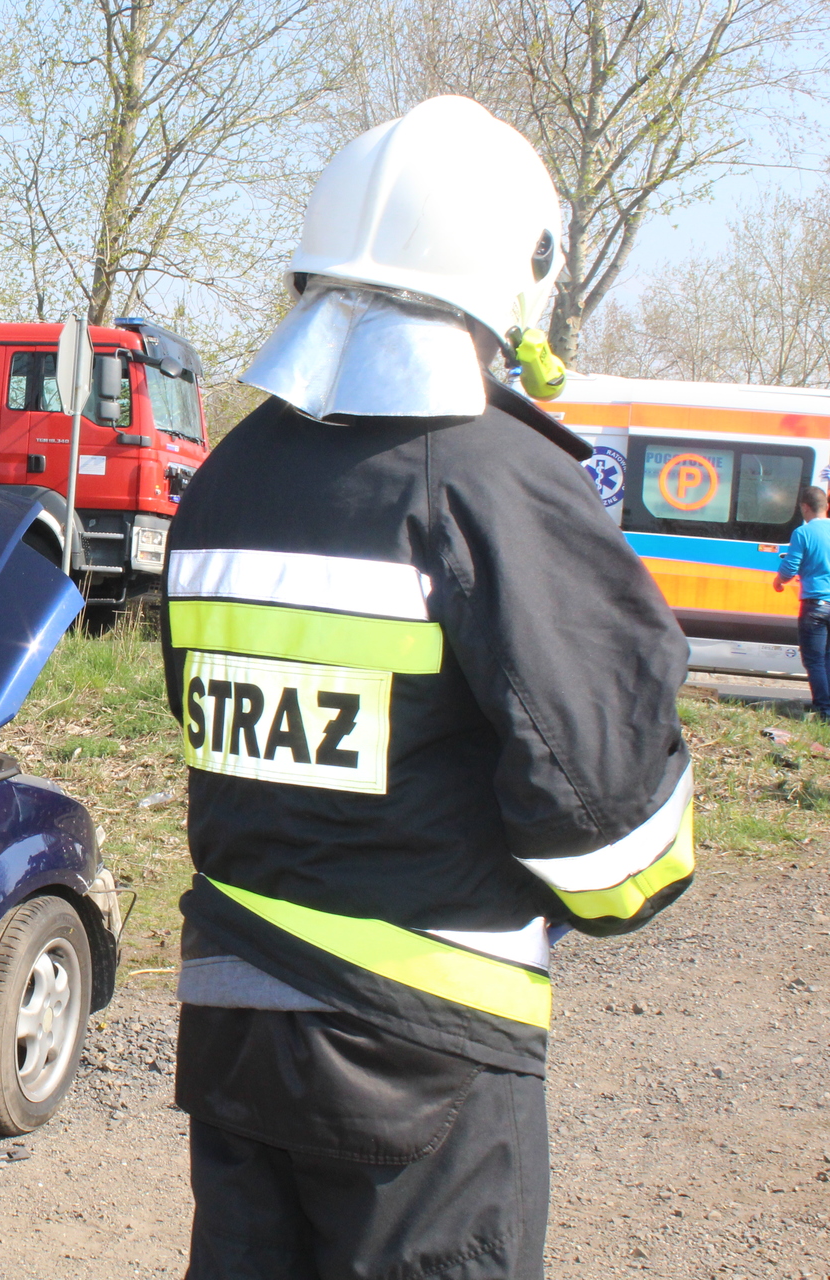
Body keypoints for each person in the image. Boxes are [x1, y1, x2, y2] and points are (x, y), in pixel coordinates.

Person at [163, 96, 693, 1280]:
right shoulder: (499, 482)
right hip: (424, 1051)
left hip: (236, 1016)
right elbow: (614, 842)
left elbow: (209, 719)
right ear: (512, 275)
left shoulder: (228, 476)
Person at [775, 486, 830, 718]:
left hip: (815, 604)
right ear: (826, 506)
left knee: (815, 660)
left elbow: (790, 567)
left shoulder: (803, 533)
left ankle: (825, 710)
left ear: (804, 507)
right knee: (828, 659)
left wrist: (779, 581)